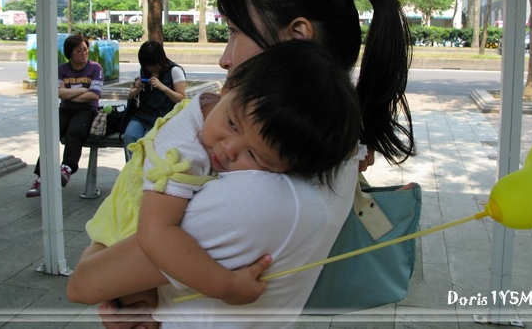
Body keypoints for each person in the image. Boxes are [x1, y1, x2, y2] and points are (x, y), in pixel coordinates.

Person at [66, 0, 416, 328]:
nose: (224, 57)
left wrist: (108, 279)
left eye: (235, 31)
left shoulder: (260, 195)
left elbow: (85, 284)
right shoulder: (319, 147)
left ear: (298, 36)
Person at [69, 40, 365, 327]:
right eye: (233, 125)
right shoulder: (182, 151)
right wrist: (226, 286)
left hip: (140, 227)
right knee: (137, 301)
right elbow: (156, 232)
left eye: (255, 155)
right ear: (230, 87)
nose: (229, 148)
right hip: (127, 222)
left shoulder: (242, 113)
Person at [26, 34, 103, 198]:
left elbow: (94, 95)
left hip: (87, 110)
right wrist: (82, 90)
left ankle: (66, 168)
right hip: (65, 109)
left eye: (85, 49)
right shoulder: (61, 69)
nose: (84, 53)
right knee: (51, 133)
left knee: (74, 132)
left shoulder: (95, 68)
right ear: (70, 54)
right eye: (79, 51)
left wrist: (68, 93)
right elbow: (56, 93)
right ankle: (42, 176)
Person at [123, 41, 186, 159]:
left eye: (154, 64)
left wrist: (164, 88)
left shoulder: (174, 71)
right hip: (143, 115)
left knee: (148, 140)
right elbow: (130, 95)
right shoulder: (143, 71)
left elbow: (181, 98)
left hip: (165, 116)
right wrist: (138, 87)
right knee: (130, 136)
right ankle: (131, 172)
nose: (151, 68)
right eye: (147, 65)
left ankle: (147, 173)